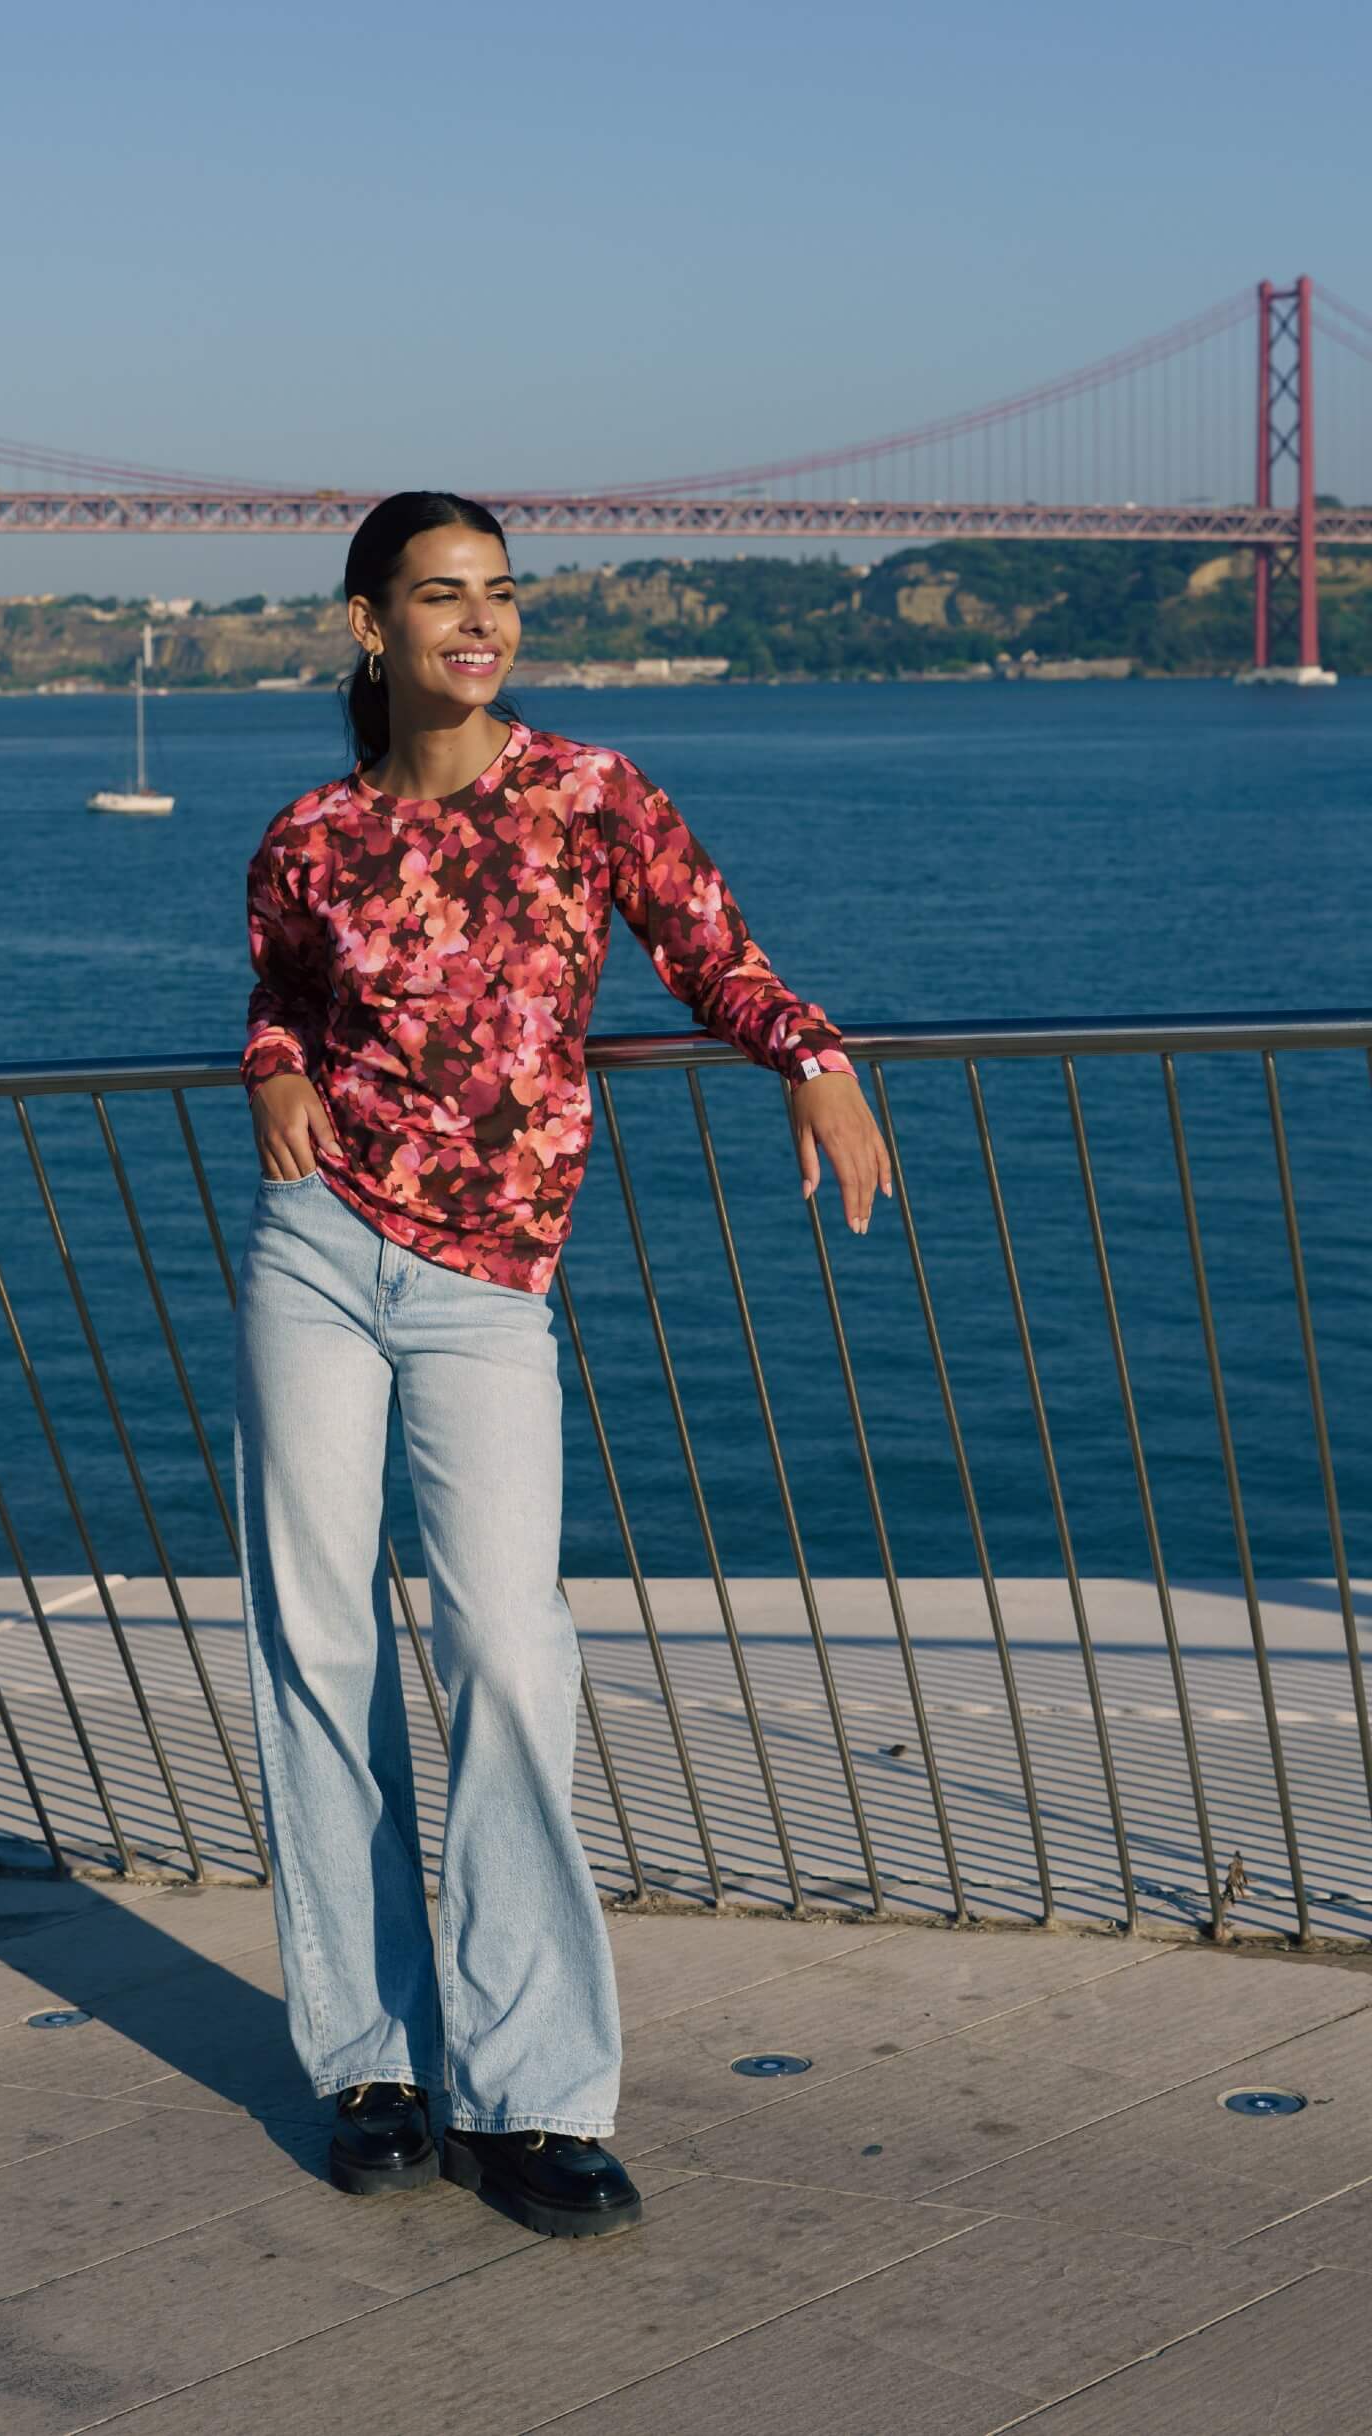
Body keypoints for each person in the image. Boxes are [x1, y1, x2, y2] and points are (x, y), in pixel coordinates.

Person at [232, 491, 891, 2240]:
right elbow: (285, 995)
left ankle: (532, 2096)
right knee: (313, 1642)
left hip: (484, 1291)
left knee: (509, 1651)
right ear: (368, 625)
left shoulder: (592, 795)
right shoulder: (308, 832)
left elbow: (710, 954)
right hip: (315, 1255)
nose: (481, 624)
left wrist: (813, 1060)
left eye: (502, 596)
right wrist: (273, 1067)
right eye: (441, 597)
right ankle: (368, 2062)